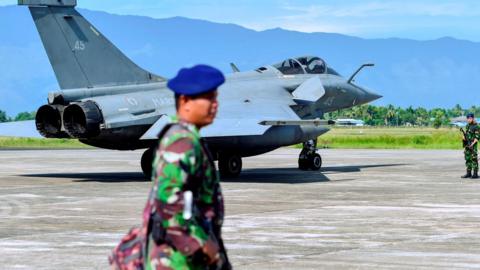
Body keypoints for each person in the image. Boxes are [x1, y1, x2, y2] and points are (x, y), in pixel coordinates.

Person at [145, 65, 231, 270]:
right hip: (178, 260)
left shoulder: (186, 137)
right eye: (208, 98)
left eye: (215, 98)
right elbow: (168, 204)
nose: (215, 105)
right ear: (184, 101)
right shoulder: (181, 142)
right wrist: (199, 246)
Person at [462, 113, 479, 179]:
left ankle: (475, 174)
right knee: (468, 158)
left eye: (470, 118)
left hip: (473, 145)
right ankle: (468, 173)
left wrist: (472, 144)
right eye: (468, 118)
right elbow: (467, 134)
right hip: (467, 144)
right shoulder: (467, 126)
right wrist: (464, 137)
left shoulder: (476, 126)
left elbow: (477, 137)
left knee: (474, 159)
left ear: (473, 118)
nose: (469, 119)